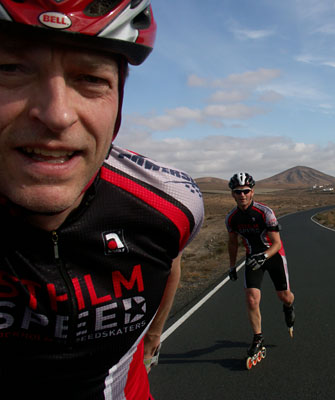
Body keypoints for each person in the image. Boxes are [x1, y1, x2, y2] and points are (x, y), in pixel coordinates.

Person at [0, 1, 204, 398]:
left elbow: (171, 259)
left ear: (119, 105)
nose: (57, 115)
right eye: (9, 69)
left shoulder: (171, 204)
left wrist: (155, 333)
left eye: (91, 78)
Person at [225, 172, 295, 358]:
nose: (242, 195)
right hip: (252, 257)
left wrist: (264, 256)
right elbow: (233, 243)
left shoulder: (265, 213)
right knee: (251, 299)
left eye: (246, 191)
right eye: (238, 192)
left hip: (273, 255)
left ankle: (289, 307)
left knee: (285, 297)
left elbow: (277, 243)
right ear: (232, 194)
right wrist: (232, 266)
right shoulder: (232, 218)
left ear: (252, 192)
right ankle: (258, 338)